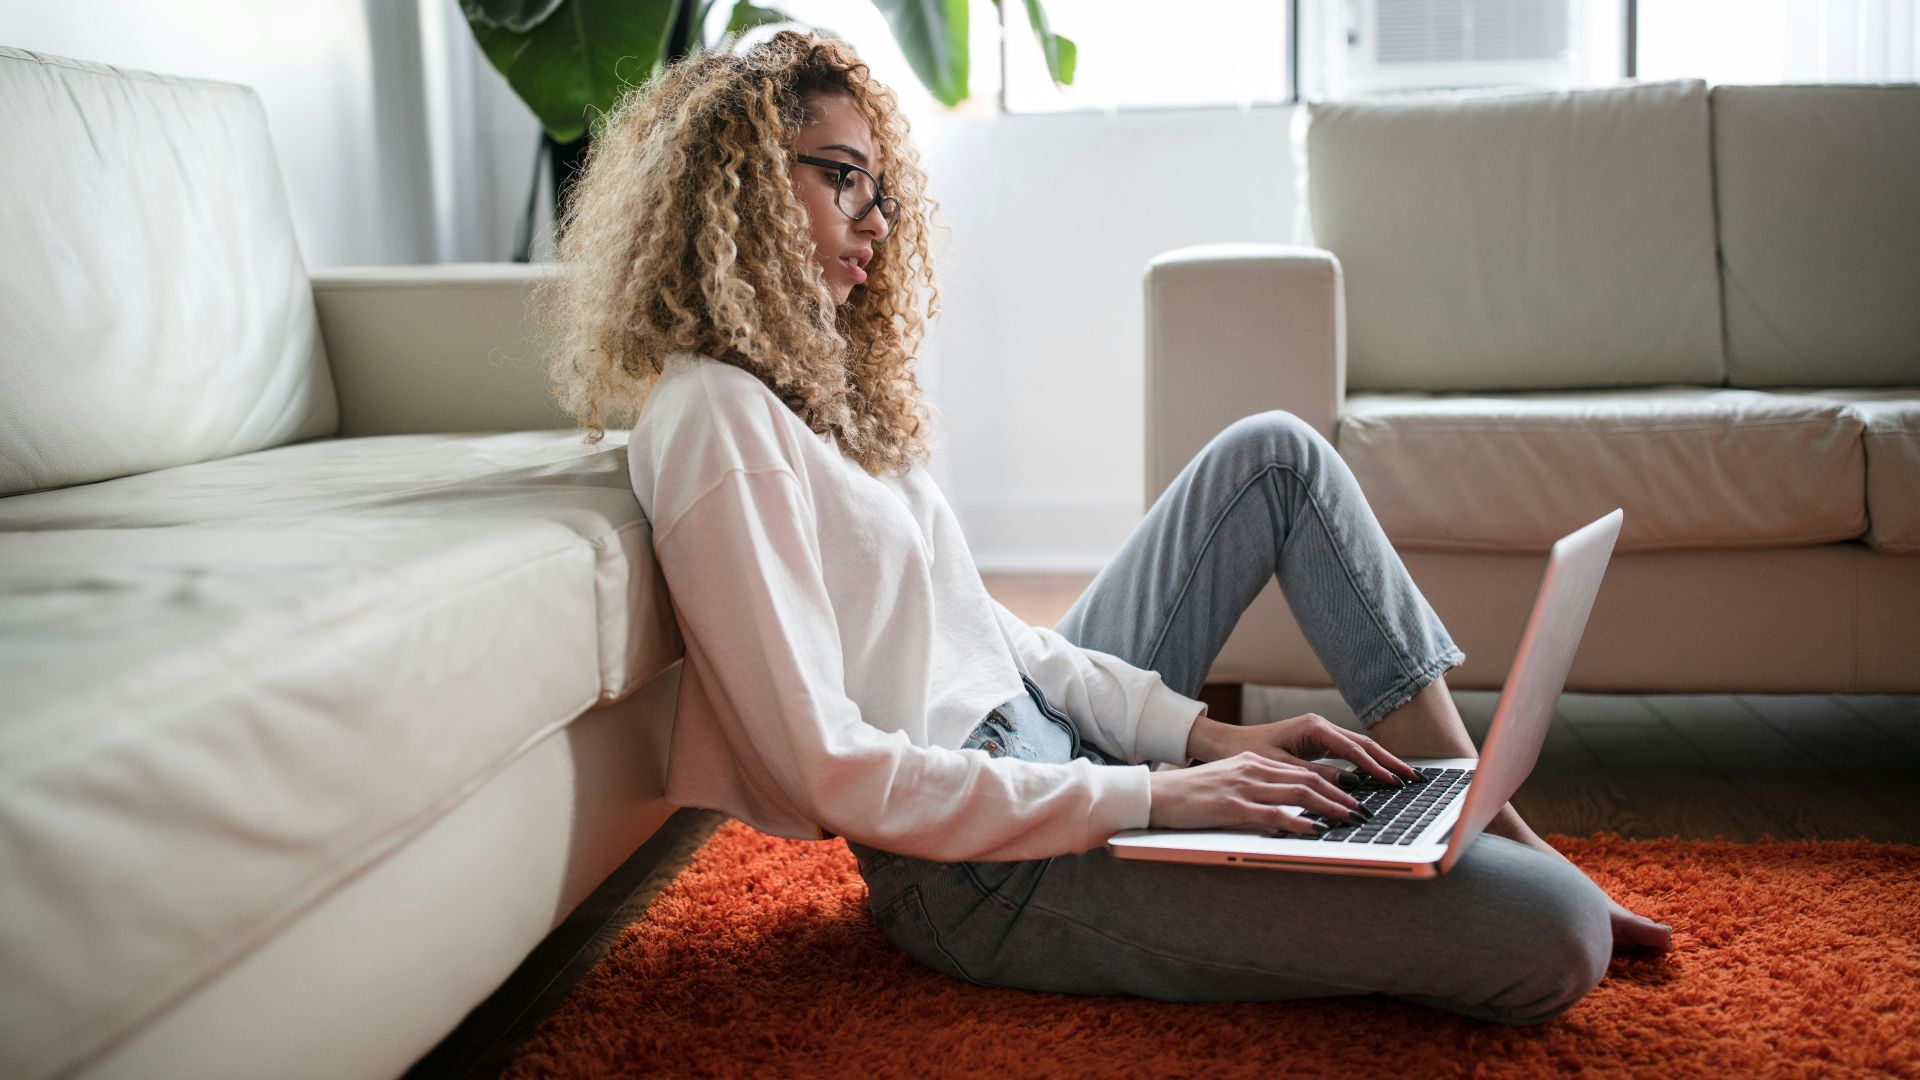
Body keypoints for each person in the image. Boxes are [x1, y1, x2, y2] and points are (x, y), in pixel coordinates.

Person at [534, 28, 1672, 1026]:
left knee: (1272, 453)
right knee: (1558, 935)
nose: (874, 219)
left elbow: (992, 637)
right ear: (734, 184)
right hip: (979, 872)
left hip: (1047, 750)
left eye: (880, 186)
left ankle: (1472, 807)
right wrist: (1153, 796)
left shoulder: (817, 393)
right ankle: (1487, 858)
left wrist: (1198, 742)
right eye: (842, 178)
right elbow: (829, 769)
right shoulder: (713, 420)